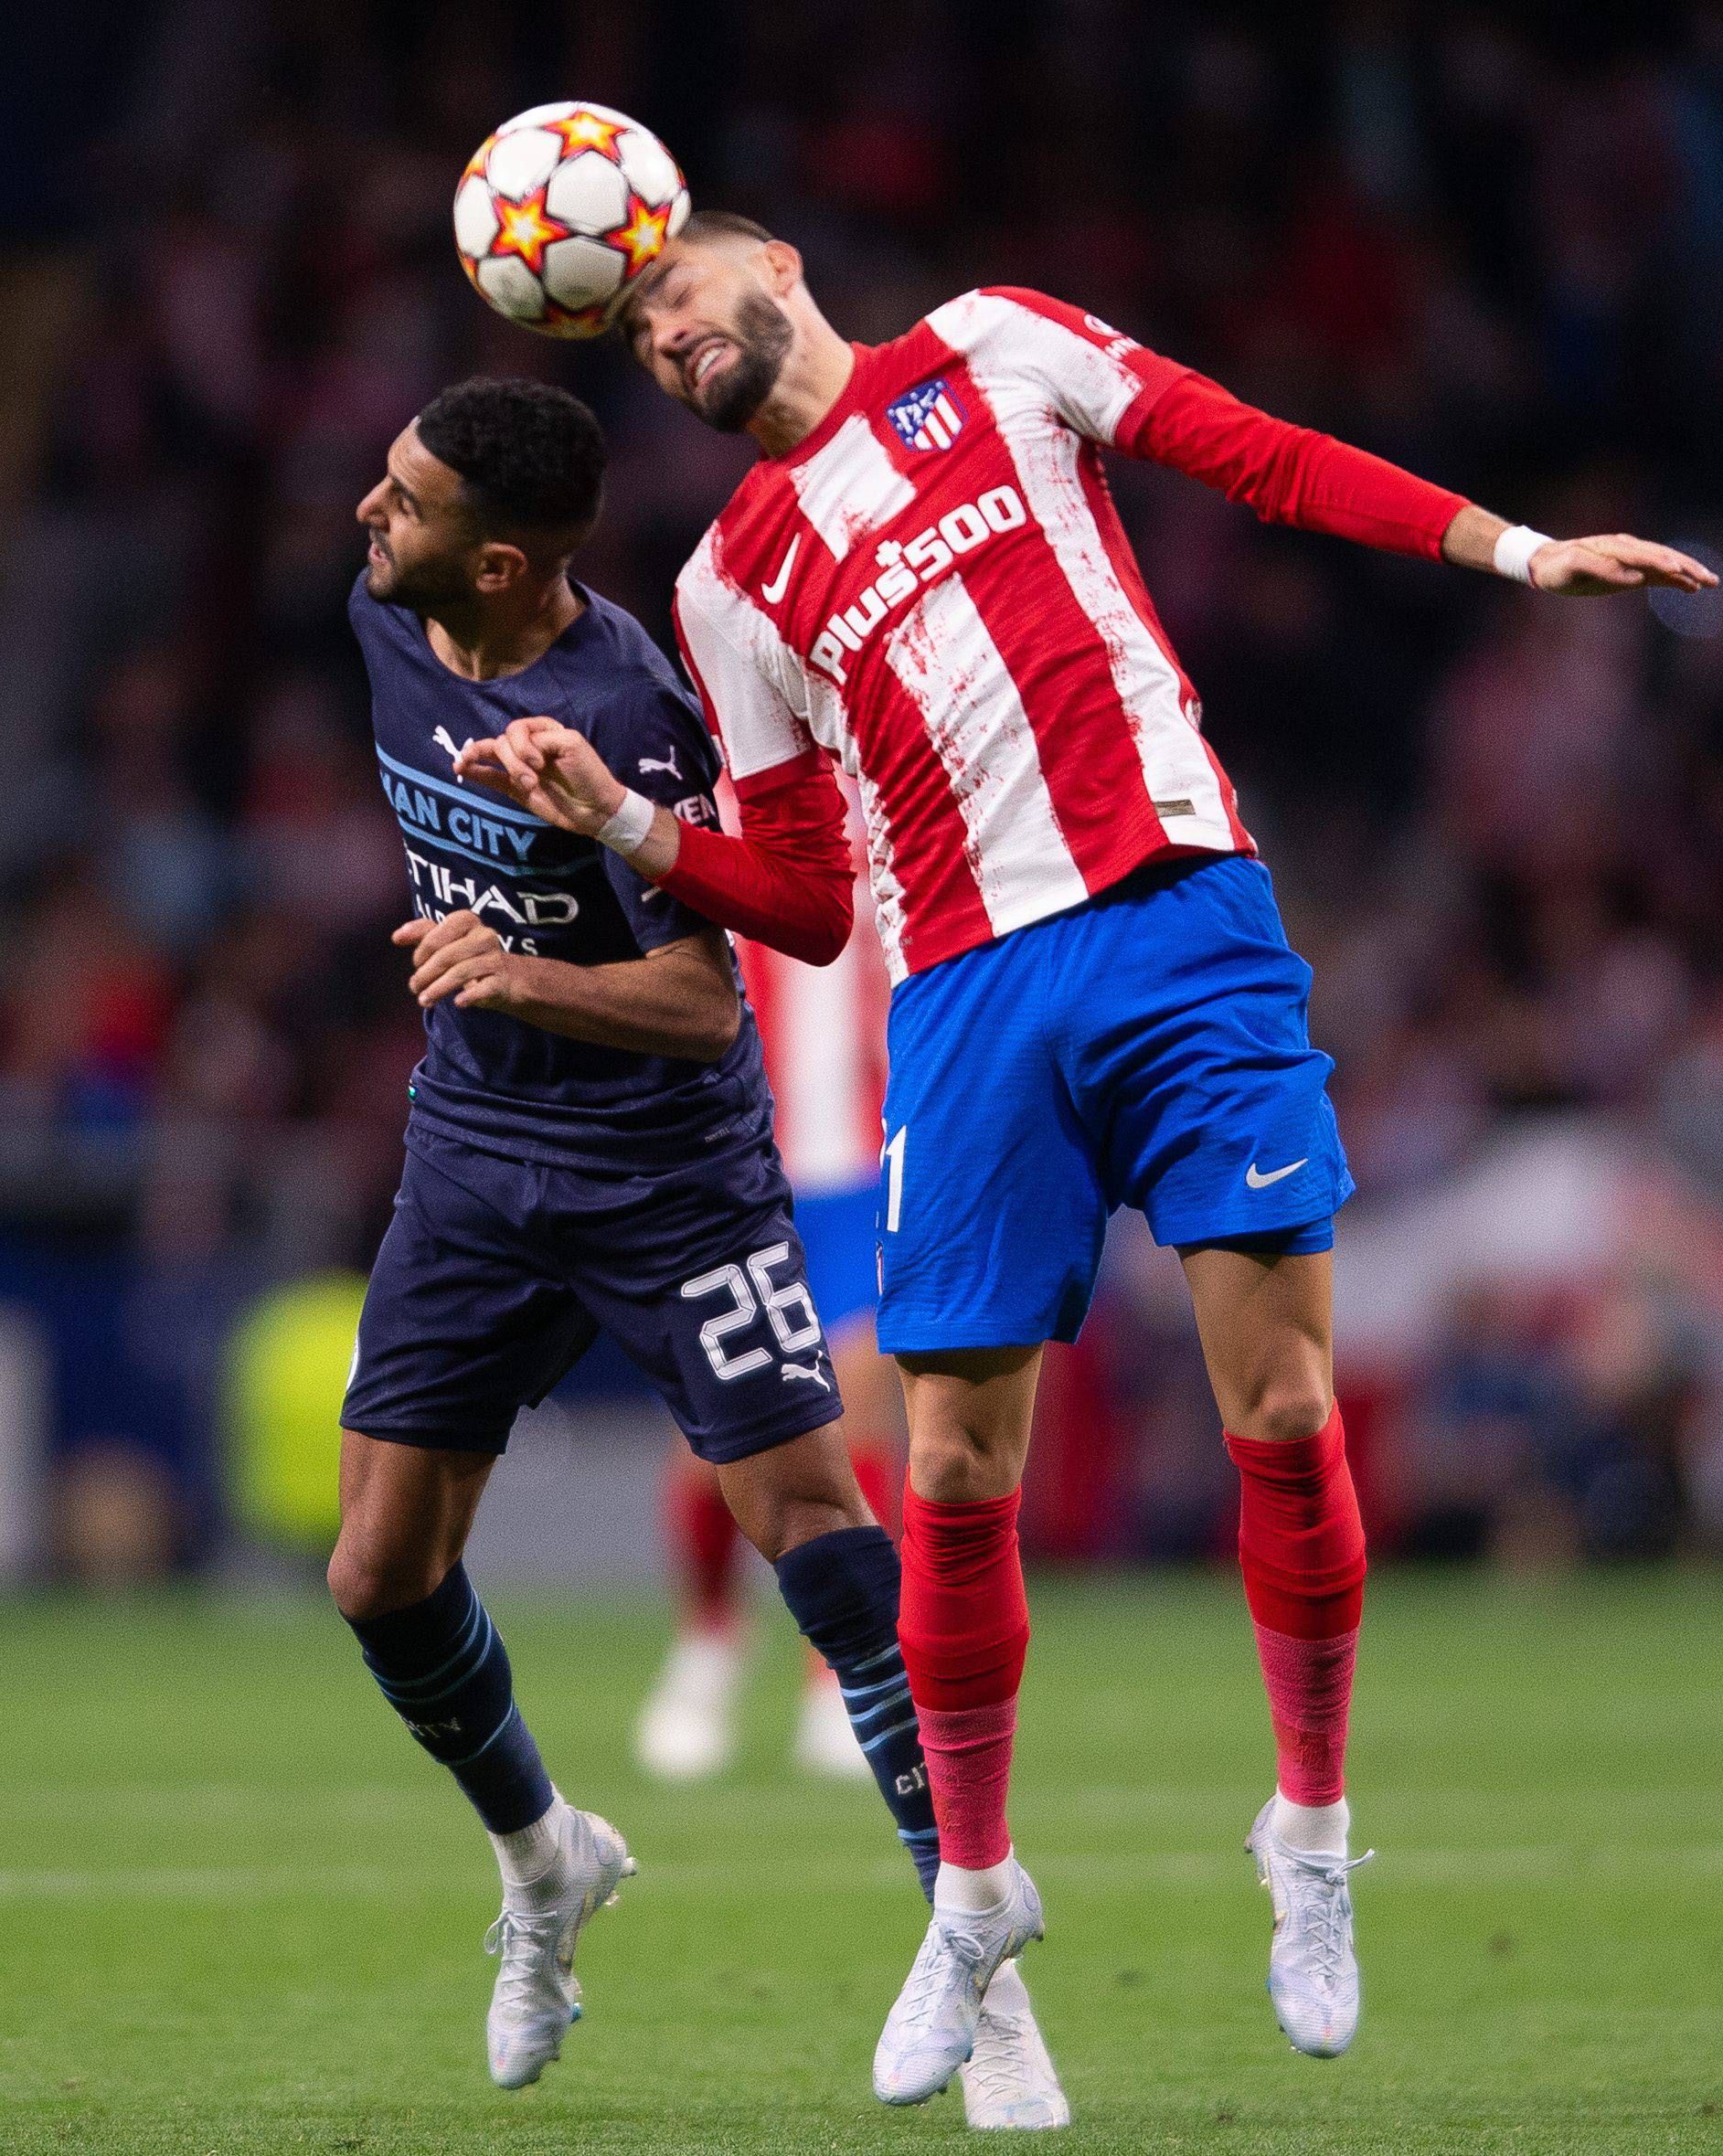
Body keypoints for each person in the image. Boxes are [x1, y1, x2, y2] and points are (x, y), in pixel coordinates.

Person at [455, 212, 1714, 2104]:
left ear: (772, 264)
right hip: (961, 1000)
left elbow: (1252, 450)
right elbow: (800, 895)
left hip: (1180, 920)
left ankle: (1307, 1833)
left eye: (672, 296)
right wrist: (627, 817)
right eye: (632, 339)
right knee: (949, 1461)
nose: (664, 338)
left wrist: (1512, 547)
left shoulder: (997, 343)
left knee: (1280, 1406)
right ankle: (971, 1892)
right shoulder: (729, 584)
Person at [329, 376, 1066, 2124]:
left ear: (502, 560)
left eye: (406, 497)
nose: (370, 512)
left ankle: (989, 1969)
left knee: (818, 1533)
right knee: (377, 1573)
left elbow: (700, 992)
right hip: (472, 1157)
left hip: (668, 1176)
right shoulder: (386, 616)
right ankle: (544, 1857)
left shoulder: (641, 713)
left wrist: (520, 970)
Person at [635, 798, 903, 1787]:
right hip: (729, 1152)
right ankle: (707, 1641)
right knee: (714, 1427)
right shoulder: (706, 790)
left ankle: (839, 1673)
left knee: (857, 1402)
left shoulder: (883, 783)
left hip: (865, 1158)